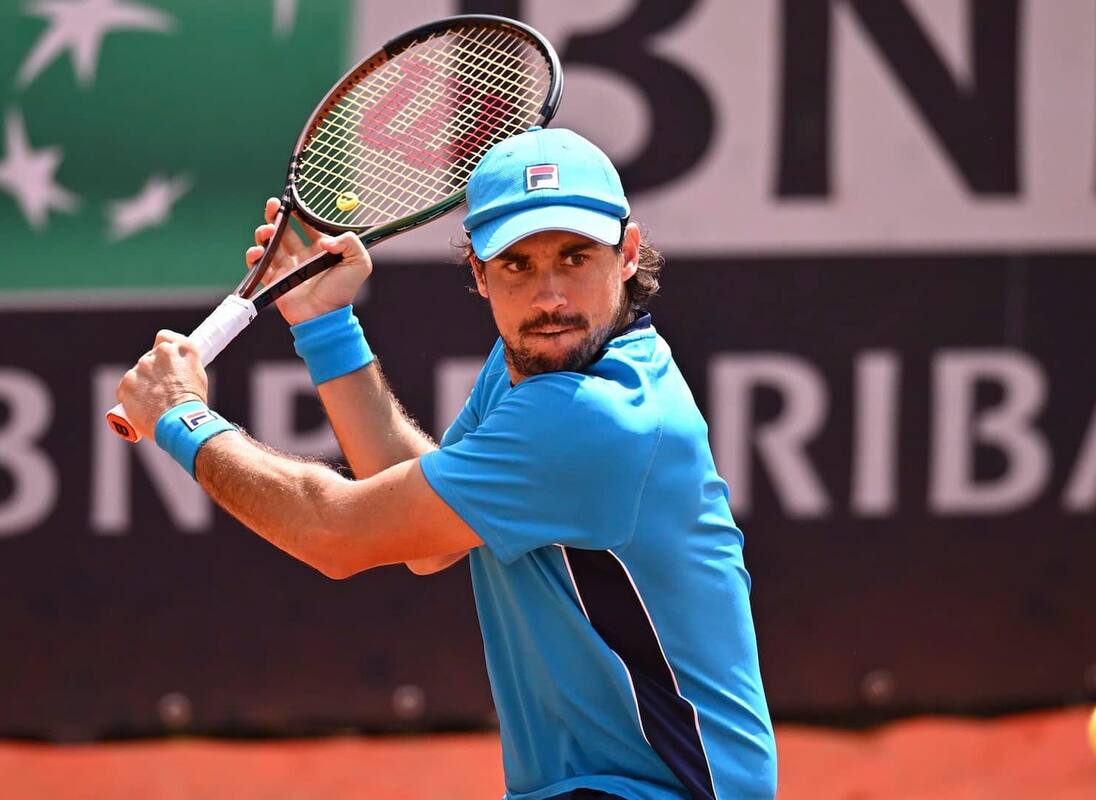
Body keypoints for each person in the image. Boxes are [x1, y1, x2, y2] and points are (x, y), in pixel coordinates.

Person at [117, 127, 777, 800]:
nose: (550, 297)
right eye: (518, 265)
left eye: (575, 257)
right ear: (478, 273)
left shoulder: (591, 419)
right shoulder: (540, 362)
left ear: (628, 253)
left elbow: (336, 533)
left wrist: (182, 418)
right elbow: (423, 535)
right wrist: (324, 323)